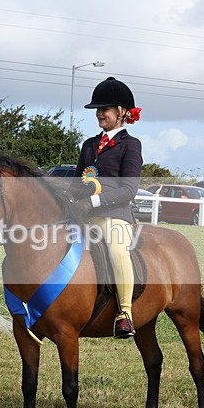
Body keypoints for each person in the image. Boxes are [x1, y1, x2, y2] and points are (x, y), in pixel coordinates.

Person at [71, 77, 143, 338]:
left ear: (122, 112)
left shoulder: (131, 145)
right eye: (98, 109)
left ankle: (125, 313)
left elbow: (129, 189)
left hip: (114, 215)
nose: (99, 113)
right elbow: (77, 182)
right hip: (83, 215)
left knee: (116, 250)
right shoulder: (89, 144)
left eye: (105, 109)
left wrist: (93, 201)